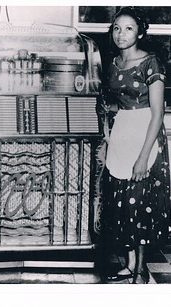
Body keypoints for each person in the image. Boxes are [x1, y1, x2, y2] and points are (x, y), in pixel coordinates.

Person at [102, 6, 170, 284]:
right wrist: (107, 136)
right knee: (120, 203)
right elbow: (109, 104)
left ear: (140, 32)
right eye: (117, 27)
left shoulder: (151, 62)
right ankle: (129, 265)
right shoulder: (113, 62)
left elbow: (157, 113)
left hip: (145, 134)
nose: (121, 33)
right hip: (123, 133)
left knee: (139, 205)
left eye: (128, 28)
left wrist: (143, 157)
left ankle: (141, 272)